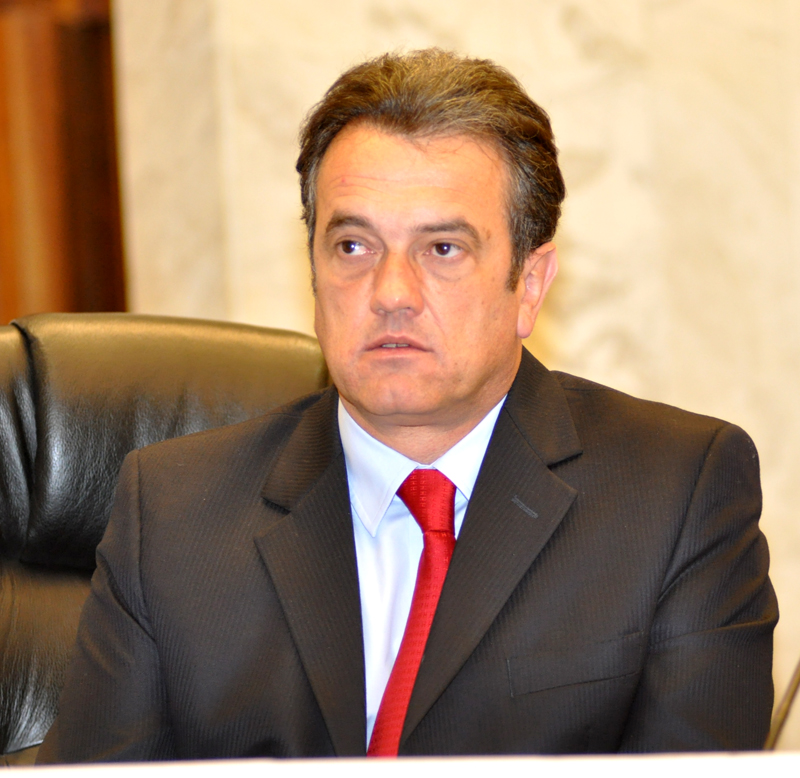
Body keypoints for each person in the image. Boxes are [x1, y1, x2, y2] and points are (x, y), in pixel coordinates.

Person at [38, 49, 777, 762]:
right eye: (353, 246)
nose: (391, 293)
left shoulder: (675, 495)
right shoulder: (172, 515)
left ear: (529, 285)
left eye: (442, 249)